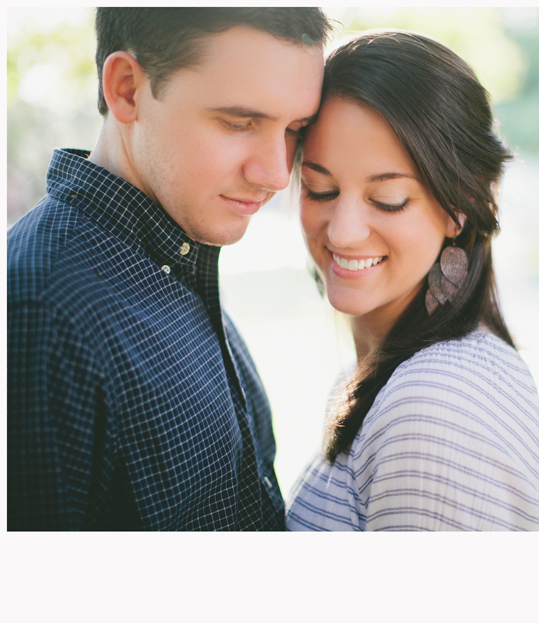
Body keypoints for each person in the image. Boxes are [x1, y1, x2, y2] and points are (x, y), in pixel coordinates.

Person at [7, 8, 330, 530]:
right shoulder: (40, 313)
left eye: (295, 129)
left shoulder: (171, 259)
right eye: (239, 122)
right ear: (128, 89)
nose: (274, 173)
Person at [286, 32, 539, 531]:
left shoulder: (438, 403)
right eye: (320, 189)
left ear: (460, 207)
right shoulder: (379, 378)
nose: (342, 231)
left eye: (387, 199)